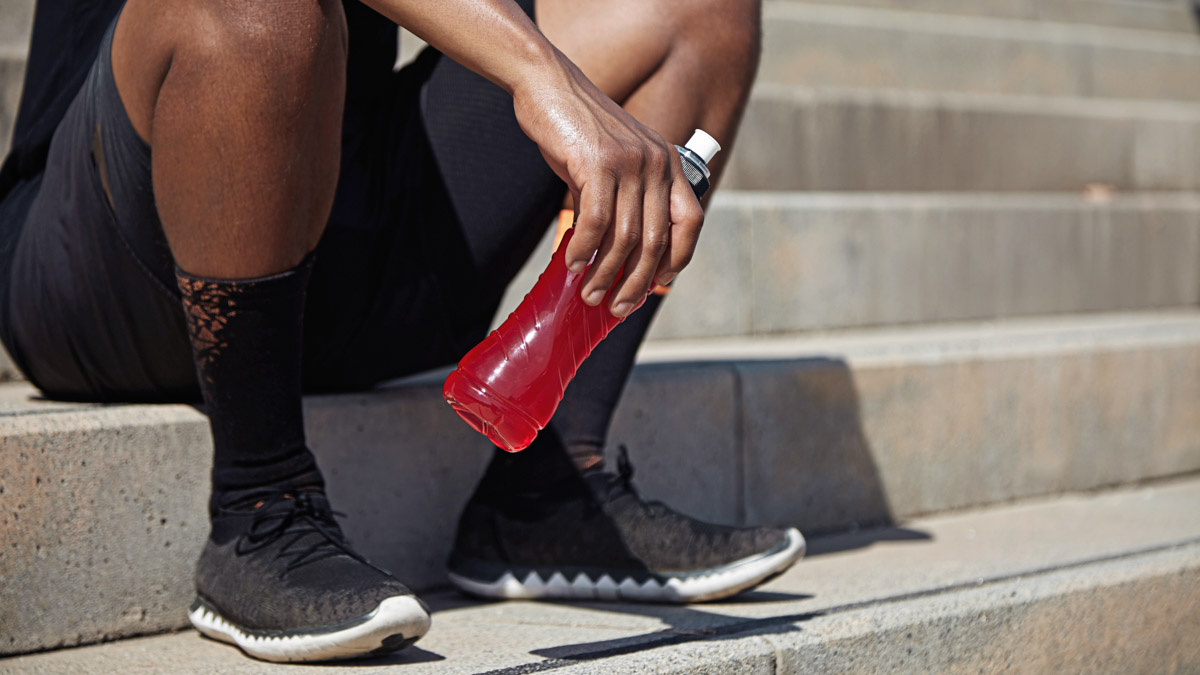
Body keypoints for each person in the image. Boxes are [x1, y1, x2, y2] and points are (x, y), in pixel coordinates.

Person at [0, 0, 804, 663]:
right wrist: (541, 77)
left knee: (695, 10)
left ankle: (549, 481)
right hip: (102, 274)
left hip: (349, 239)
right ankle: (261, 502)